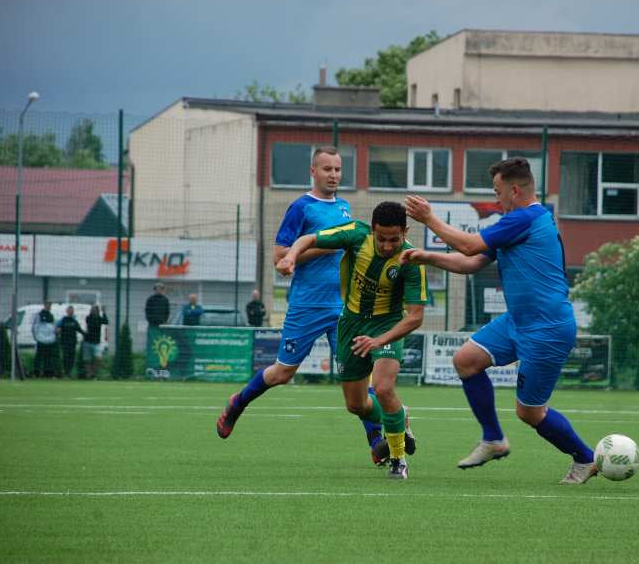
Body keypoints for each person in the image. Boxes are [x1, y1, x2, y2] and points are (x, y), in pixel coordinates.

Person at [402, 157, 597, 484]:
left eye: (498, 192)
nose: (496, 199)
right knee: (466, 360)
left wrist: (429, 218)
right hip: (518, 321)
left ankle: (585, 457)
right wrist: (427, 256)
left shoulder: (526, 217)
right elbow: (472, 261)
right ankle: (493, 439)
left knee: (530, 413)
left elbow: (468, 244)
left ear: (515, 190)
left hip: (547, 328)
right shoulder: (517, 222)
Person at [216, 146, 395, 466]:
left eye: (338, 169)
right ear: (313, 172)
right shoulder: (300, 208)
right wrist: (318, 248)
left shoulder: (344, 207)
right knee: (282, 373)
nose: (334, 175)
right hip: (306, 305)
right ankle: (238, 403)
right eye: (327, 169)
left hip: (343, 306)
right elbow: (279, 256)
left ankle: (376, 440)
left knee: (358, 374)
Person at [275, 201, 427, 479]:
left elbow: (415, 316)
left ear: (405, 232)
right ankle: (398, 415)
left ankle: (397, 459)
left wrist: (380, 340)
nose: (387, 245)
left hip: (388, 324)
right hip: (351, 325)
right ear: (372, 231)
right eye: (381, 239)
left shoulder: (411, 260)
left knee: (382, 388)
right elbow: (310, 238)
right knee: (356, 405)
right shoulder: (356, 235)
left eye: (395, 239)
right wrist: (291, 257)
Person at [55, 305, 85, 378]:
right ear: (67, 311)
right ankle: (65, 372)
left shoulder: (74, 321)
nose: (71, 312)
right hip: (64, 342)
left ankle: (69, 372)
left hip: (72, 343)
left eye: (72, 310)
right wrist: (58, 331)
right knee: (65, 357)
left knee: (72, 358)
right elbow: (57, 329)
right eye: (69, 310)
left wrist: (86, 334)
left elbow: (79, 329)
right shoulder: (63, 320)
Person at [81, 304, 108, 379]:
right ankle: (89, 374)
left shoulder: (99, 318)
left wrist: (104, 312)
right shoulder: (89, 318)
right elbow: (89, 322)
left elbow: (106, 322)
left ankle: (92, 373)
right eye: (93, 310)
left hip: (96, 342)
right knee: (87, 360)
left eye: (96, 310)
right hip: (88, 341)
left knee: (98, 358)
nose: (94, 311)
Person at [32, 300, 57, 378]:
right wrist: (37, 337)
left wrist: (53, 337)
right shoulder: (39, 315)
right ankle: (36, 373)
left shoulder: (51, 315)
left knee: (48, 358)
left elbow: (53, 327)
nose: (49, 306)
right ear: (45, 305)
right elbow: (35, 327)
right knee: (39, 357)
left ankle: (47, 374)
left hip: (49, 340)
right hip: (41, 340)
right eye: (48, 305)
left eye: (50, 305)